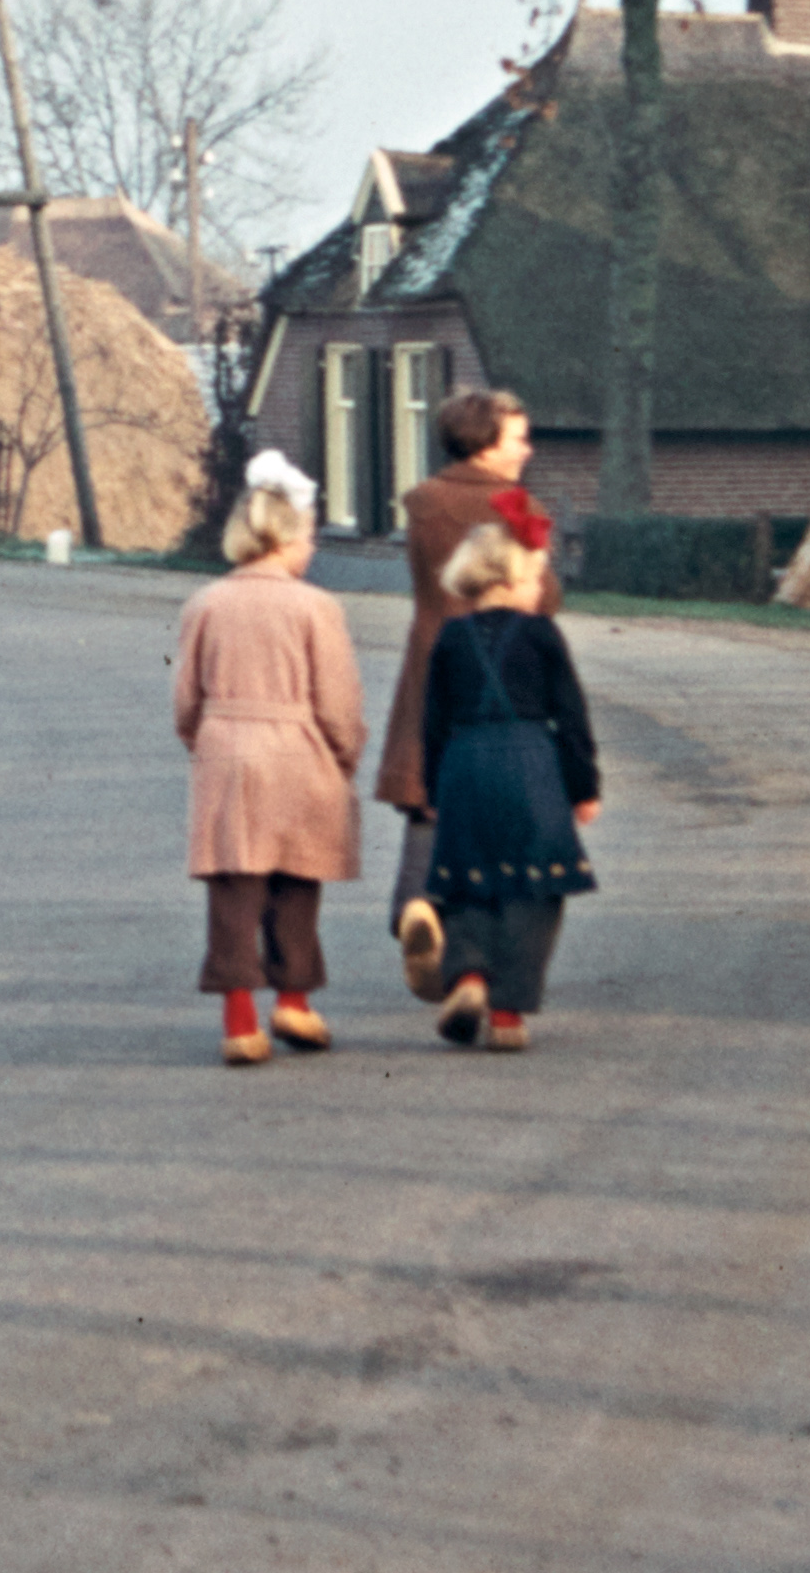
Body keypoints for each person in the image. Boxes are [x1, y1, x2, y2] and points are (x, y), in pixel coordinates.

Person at [170, 450, 367, 1065]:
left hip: (227, 750)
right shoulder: (317, 607)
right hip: (298, 751)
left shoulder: (205, 603)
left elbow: (186, 700)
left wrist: (205, 741)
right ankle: (294, 1001)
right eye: (307, 537)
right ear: (286, 540)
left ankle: (239, 1020)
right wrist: (345, 755)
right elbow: (337, 701)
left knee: (235, 887)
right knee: (296, 881)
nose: (311, 548)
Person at [415, 502, 600, 1050]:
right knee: (535, 888)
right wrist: (584, 788)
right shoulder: (543, 635)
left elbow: (432, 723)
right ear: (510, 578)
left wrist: (433, 787)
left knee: (466, 877)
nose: (541, 589)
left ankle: (470, 975)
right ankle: (507, 1013)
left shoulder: (450, 637)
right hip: (531, 762)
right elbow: (571, 716)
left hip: (464, 763)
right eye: (536, 577)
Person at [383, 385, 546, 997]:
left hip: (431, 666)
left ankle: (417, 905)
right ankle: (474, 953)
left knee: (428, 800)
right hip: (502, 673)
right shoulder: (517, 507)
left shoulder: (423, 501)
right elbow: (545, 597)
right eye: (518, 439)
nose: (527, 450)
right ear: (484, 443)